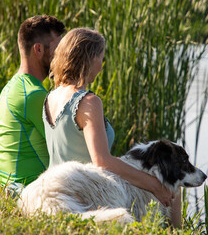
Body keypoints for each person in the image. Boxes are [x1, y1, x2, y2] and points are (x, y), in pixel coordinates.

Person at [44, 28, 181, 227]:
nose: (102, 64)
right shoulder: (88, 101)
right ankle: (178, 232)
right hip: (87, 190)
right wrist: (155, 186)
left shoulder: (51, 96)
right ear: (89, 59)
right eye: (101, 57)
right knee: (173, 187)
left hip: (58, 187)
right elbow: (102, 161)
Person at [0, 15, 66, 193]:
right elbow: (67, 148)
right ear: (39, 49)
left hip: (12, 188)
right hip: (28, 192)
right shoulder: (34, 95)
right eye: (58, 50)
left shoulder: (12, 87)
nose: (63, 57)